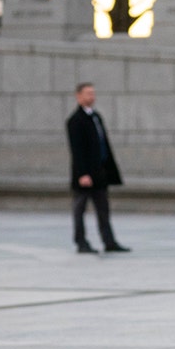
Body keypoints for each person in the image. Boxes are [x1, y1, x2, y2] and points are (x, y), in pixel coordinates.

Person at [66, 82, 130, 254]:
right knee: (79, 209)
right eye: (87, 93)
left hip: (100, 173)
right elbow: (77, 150)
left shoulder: (96, 117)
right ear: (78, 96)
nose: (91, 97)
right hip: (85, 175)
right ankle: (81, 242)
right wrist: (82, 174)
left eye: (93, 93)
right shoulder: (75, 120)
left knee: (103, 209)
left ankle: (109, 241)